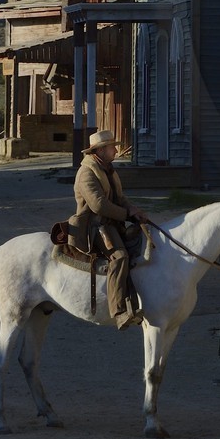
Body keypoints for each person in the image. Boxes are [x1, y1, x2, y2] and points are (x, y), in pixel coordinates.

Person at [67, 130, 149, 329]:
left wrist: (133, 210)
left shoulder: (108, 170)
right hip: (95, 225)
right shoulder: (86, 173)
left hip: (111, 222)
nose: (116, 150)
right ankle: (119, 312)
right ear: (101, 150)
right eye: (113, 147)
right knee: (120, 257)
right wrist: (126, 214)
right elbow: (99, 206)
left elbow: (119, 198)